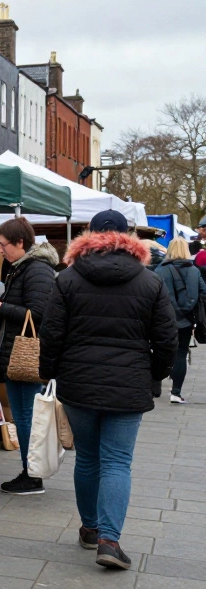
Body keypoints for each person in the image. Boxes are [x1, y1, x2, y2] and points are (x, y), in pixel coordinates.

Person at [40, 210, 177, 570]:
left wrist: (48, 373)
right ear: (128, 236)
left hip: (78, 382)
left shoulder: (68, 279)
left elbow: (51, 333)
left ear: (90, 234)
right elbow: (166, 338)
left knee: (87, 457)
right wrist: (155, 377)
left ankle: (89, 527)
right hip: (129, 385)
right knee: (117, 461)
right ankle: (109, 540)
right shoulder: (149, 281)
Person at [0, 216, 59, 495]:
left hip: (24, 356)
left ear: (20, 242)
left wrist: (1, 309)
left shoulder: (36, 270)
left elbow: (39, 314)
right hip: (14, 353)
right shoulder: (23, 268)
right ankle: (30, 471)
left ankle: (31, 475)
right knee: (25, 415)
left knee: (25, 416)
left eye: (2, 244)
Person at [154, 237, 204, 404]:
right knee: (181, 353)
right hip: (186, 320)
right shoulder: (194, 270)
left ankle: (155, 386)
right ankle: (176, 392)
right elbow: (204, 292)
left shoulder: (161, 270)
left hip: (163, 319)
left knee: (158, 350)